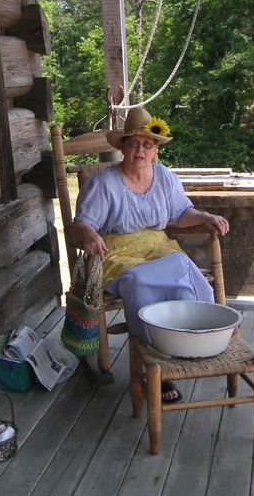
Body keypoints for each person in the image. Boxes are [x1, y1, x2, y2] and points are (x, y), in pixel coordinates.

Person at [70, 107, 229, 402]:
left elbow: (181, 213)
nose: (140, 150)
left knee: (175, 265)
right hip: (117, 251)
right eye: (133, 142)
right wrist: (89, 233)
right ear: (122, 146)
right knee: (140, 279)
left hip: (158, 247)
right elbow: (80, 225)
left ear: (155, 148)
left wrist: (204, 216)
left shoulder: (165, 177)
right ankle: (153, 359)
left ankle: (188, 339)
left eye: (147, 143)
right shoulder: (103, 184)